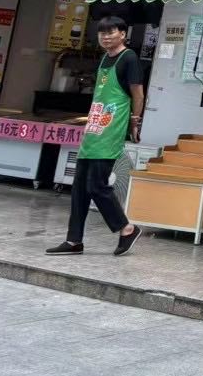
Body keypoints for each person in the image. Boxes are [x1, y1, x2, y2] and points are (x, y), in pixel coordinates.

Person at [46, 17, 145, 257]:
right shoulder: (104, 58)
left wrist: (135, 122)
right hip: (94, 128)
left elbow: (138, 94)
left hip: (112, 129)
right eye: (102, 33)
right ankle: (74, 240)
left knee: (97, 185)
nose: (106, 37)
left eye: (111, 32)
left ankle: (127, 228)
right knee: (80, 187)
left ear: (123, 34)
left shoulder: (129, 58)